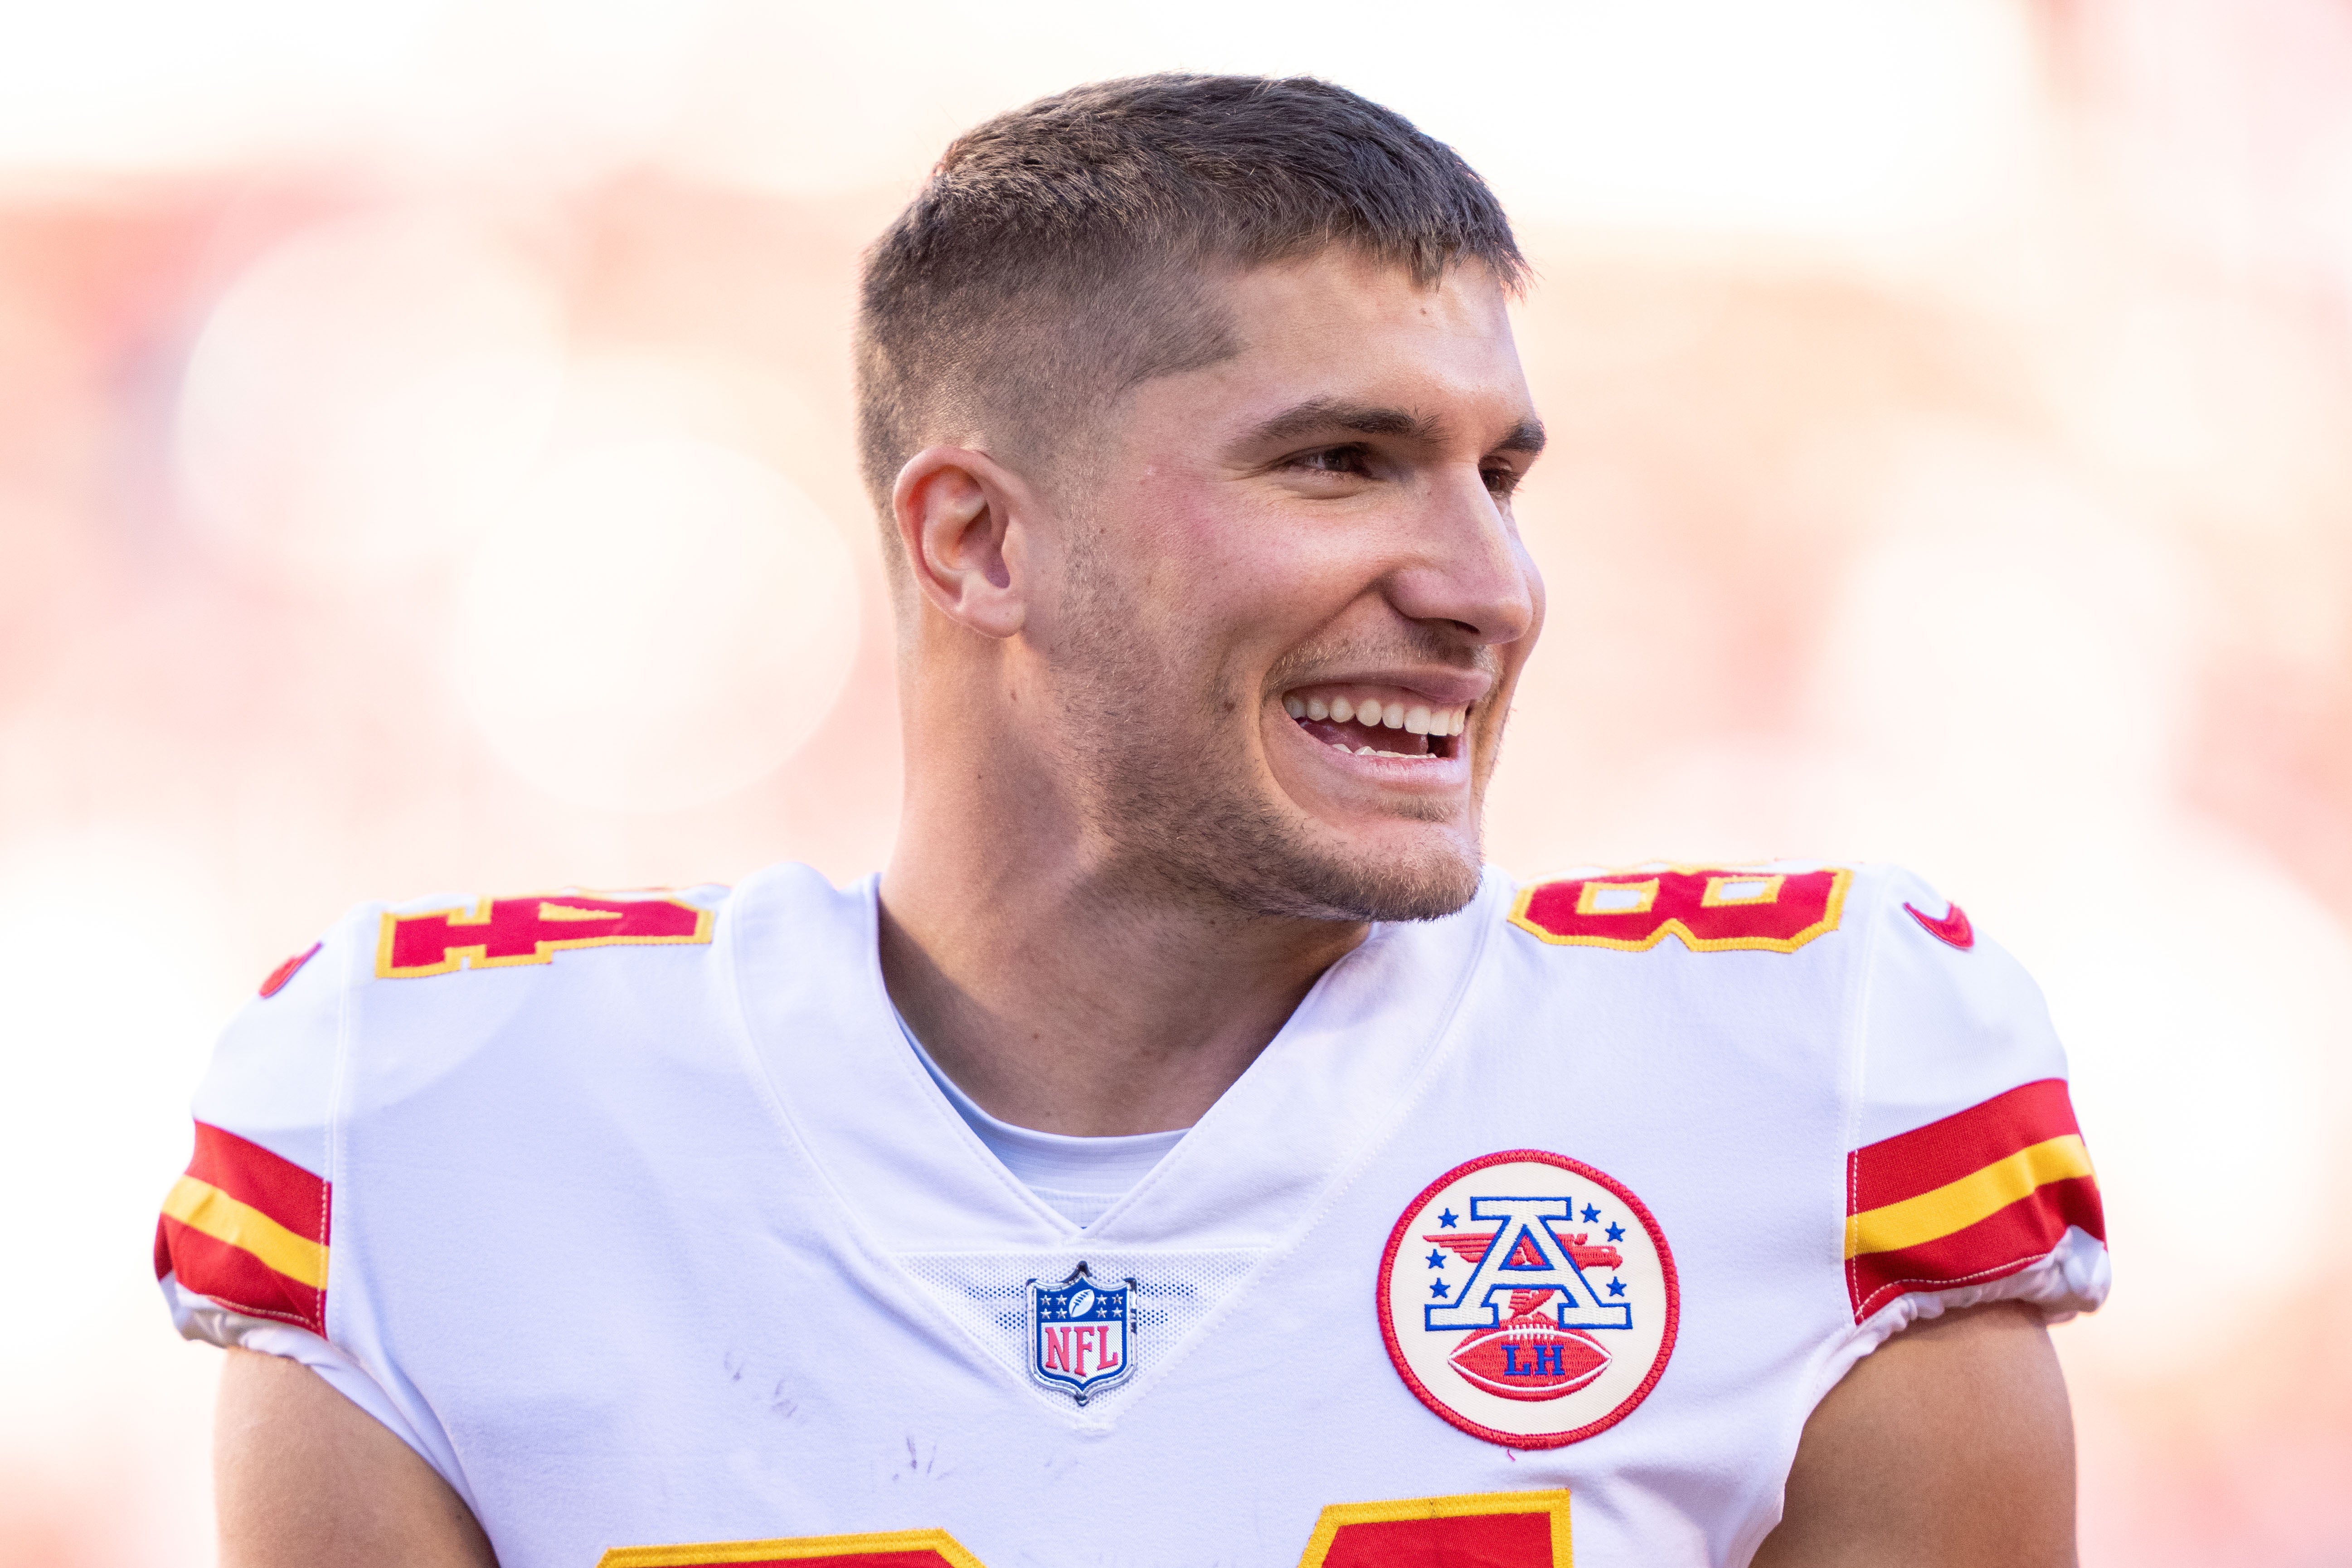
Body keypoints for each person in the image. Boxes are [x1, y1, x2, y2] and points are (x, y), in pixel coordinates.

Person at [157, 74, 2108, 1568]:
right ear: (977, 538)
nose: (1486, 585)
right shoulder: (434, 1124)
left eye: (1497, 475)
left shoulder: (1808, 1085)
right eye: (1341, 462)